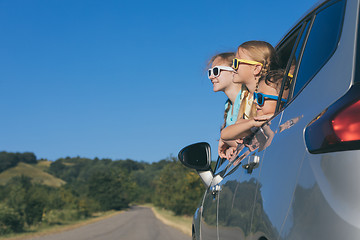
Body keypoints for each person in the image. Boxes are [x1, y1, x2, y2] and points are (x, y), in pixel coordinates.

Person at [218, 40, 279, 159]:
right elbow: (237, 126)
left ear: (256, 69)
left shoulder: (267, 99)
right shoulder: (246, 97)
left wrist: (229, 139)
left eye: (236, 62)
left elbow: (236, 132)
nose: (232, 67)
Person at [221, 69, 287, 141]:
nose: (255, 101)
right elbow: (224, 134)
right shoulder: (258, 122)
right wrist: (253, 122)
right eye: (255, 96)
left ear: (281, 101)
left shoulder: (287, 121)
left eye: (260, 97)